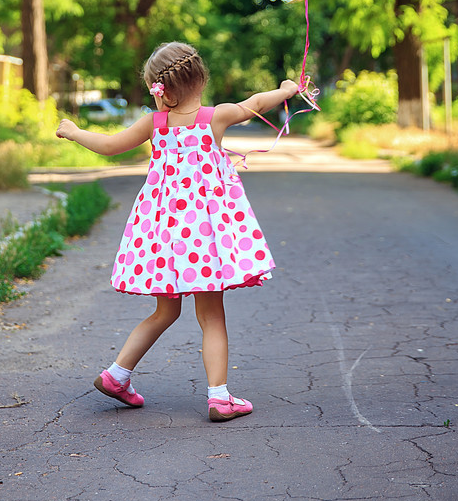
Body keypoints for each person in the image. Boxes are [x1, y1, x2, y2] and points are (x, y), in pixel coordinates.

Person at [56, 41, 299, 422]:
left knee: (164, 310)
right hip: (205, 238)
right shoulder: (213, 117)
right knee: (212, 315)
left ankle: (117, 374)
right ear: (200, 78)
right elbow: (256, 104)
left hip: (165, 235)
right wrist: (286, 90)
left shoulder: (154, 124)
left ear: (158, 88)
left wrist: (73, 131)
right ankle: (220, 397)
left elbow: (107, 146)